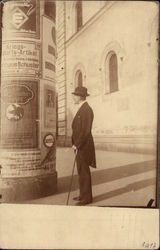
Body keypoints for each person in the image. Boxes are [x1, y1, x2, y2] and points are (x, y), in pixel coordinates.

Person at [72, 86, 96, 205]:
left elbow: (86, 130)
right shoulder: (82, 108)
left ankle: (87, 198)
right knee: (81, 170)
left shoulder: (87, 110)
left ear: (80, 97)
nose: (73, 97)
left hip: (84, 146)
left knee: (84, 171)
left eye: (75, 95)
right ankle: (83, 194)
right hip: (79, 146)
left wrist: (77, 144)